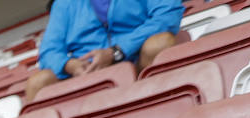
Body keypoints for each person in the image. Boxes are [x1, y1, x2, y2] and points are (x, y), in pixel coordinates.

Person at [25, 0, 182, 102]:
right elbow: (48, 51)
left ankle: (162, 104)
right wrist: (71, 65)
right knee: (38, 82)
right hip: (87, 74)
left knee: (160, 43)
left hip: (136, 60)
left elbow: (167, 16)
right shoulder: (63, 3)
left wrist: (117, 51)